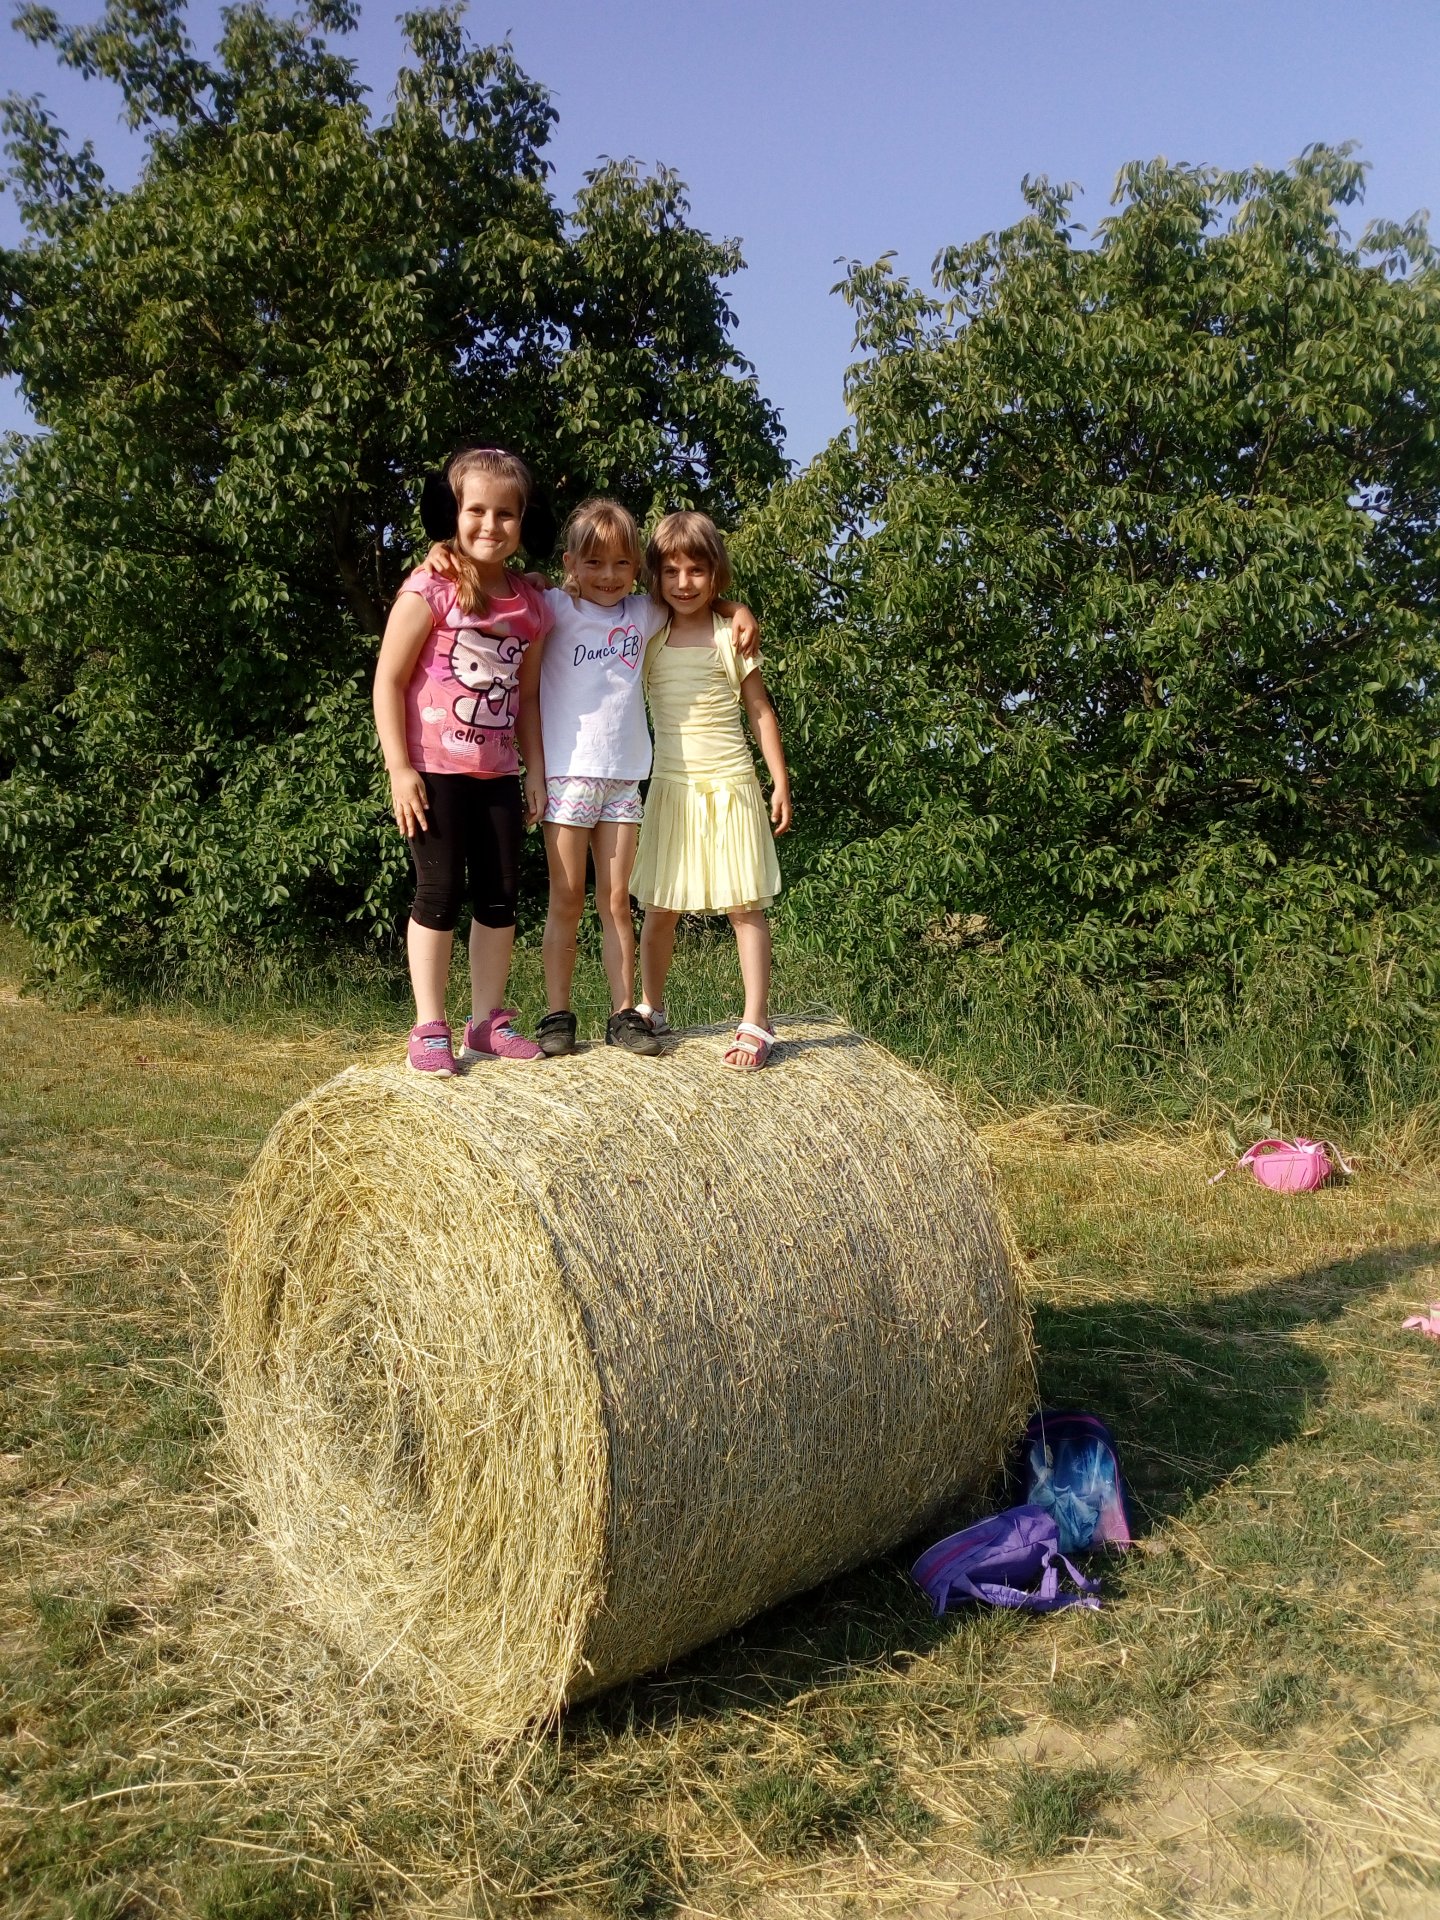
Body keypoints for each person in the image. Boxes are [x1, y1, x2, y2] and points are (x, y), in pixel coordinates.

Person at [423, 499, 759, 1058]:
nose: (609, 575)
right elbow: (501, 594)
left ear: (636, 569)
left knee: (617, 902)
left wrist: (736, 606)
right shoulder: (551, 606)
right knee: (566, 899)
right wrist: (445, 554)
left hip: (624, 779)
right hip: (567, 777)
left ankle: (624, 1013)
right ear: (570, 563)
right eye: (595, 563)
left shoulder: (644, 613)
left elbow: (692, 595)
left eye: (622, 564)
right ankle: (557, 1012)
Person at [372, 446, 552, 1074]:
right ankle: (428, 1025)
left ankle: (485, 1022)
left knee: (500, 896)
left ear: (523, 520)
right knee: (439, 892)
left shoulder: (531, 604)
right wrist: (399, 769)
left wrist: (535, 770)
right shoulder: (430, 587)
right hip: (433, 772)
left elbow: (528, 697)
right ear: (453, 512)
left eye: (506, 513)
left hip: (498, 773)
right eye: (476, 510)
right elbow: (388, 680)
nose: (490, 524)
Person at [631, 512, 792, 1070]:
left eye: (697, 571)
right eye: (671, 571)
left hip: (731, 784)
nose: (684, 583)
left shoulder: (732, 636)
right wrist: (734, 603)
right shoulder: (649, 636)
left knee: (745, 906)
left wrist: (779, 779)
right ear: (655, 576)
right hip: (671, 788)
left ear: (716, 573)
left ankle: (756, 1018)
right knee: (660, 907)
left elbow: (760, 710)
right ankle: (651, 1007)